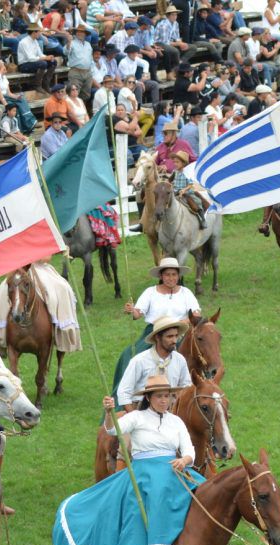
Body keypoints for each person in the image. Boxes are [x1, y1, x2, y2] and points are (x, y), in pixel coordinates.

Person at [53, 374, 204, 545]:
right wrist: (108, 412)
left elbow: (189, 450)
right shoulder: (137, 417)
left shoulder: (176, 422)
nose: (165, 401)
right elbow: (113, 430)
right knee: (144, 504)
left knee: (206, 493)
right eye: (160, 396)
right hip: (144, 473)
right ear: (149, 398)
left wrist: (185, 460)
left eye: (168, 396)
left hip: (174, 471)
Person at [112, 257, 201, 398]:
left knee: (202, 355)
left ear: (178, 276)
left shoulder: (186, 293)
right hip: (155, 332)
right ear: (161, 276)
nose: (171, 278)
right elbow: (137, 314)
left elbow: (196, 313)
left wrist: (184, 321)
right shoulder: (150, 292)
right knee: (128, 354)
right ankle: (123, 396)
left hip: (180, 331)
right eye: (167, 275)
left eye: (174, 274)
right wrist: (131, 310)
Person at [115, 315, 192, 409]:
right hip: (142, 410)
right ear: (157, 337)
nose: (174, 340)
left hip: (171, 412)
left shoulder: (180, 360)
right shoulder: (140, 360)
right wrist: (135, 416)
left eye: (176, 336)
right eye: (170, 336)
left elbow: (187, 388)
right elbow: (123, 392)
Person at [168, 150, 210, 229]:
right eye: (174, 162)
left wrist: (184, 190)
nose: (175, 164)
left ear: (183, 163)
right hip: (175, 192)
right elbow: (169, 180)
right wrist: (170, 185)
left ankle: (202, 218)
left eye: (177, 162)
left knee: (195, 202)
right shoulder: (174, 172)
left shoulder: (187, 172)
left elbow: (190, 184)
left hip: (186, 192)